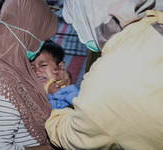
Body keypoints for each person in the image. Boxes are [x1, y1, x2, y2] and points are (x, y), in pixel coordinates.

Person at [45, 0, 163, 149]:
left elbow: (77, 137)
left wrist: (58, 114)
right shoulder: (155, 25)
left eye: (74, 18)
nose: (70, 21)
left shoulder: (105, 78)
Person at [0, 0, 61, 149]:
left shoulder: (16, 62)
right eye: (41, 36)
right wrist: (48, 147)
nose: (42, 43)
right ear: (28, 33)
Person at [30, 40, 74, 108]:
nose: (37, 71)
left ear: (61, 67)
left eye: (43, 65)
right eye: (32, 68)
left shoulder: (55, 85)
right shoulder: (31, 86)